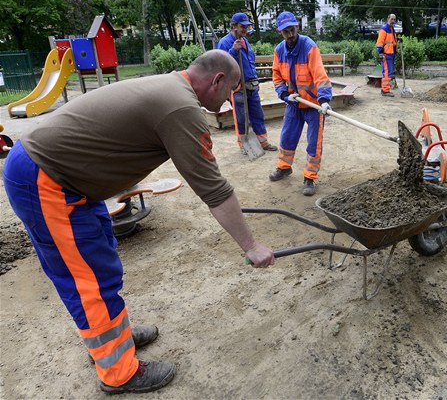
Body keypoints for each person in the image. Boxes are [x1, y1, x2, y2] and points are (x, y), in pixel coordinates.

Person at [2, 49, 275, 395]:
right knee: (88, 281)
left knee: (101, 265)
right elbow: (214, 190)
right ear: (217, 80)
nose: (230, 100)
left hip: (66, 178)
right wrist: (251, 246)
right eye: (231, 90)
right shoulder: (181, 107)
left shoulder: (172, 89)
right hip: (47, 180)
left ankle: (112, 338)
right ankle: (118, 372)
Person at [269, 11, 332, 197]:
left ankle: (310, 177)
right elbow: (277, 76)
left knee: (314, 142)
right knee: (287, 136)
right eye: (285, 31)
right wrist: (284, 95)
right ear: (279, 32)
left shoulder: (309, 47)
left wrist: (324, 100)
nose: (290, 34)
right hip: (294, 103)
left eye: (292, 29)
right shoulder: (279, 50)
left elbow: (320, 76)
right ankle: (284, 167)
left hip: (313, 105)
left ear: (297, 27)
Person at [217, 12, 277, 154]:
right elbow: (221, 65)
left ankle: (263, 142)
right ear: (234, 26)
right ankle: (244, 145)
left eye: (247, 27)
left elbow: (250, 60)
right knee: (241, 118)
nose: (245, 29)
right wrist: (233, 51)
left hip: (251, 85)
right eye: (242, 26)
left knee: (257, 114)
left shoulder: (244, 41)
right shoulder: (225, 43)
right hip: (238, 87)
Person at [376, 13, 399, 97]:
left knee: (388, 72)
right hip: (386, 54)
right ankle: (385, 91)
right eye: (392, 19)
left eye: (394, 19)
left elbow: (391, 40)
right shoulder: (384, 29)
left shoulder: (392, 29)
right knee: (386, 73)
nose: (393, 21)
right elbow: (380, 42)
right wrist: (381, 52)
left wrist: (398, 39)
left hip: (391, 53)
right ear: (388, 19)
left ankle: (385, 89)